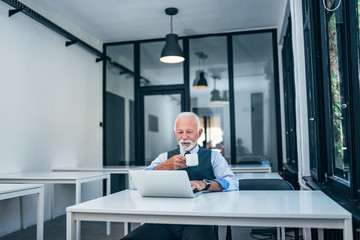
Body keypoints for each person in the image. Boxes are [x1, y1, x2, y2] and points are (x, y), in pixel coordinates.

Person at [122, 112, 238, 240]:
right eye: (180, 132)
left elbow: (232, 182)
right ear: (175, 134)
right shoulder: (164, 157)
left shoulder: (213, 156)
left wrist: (205, 184)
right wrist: (163, 167)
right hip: (164, 220)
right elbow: (134, 184)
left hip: (199, 221)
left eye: (189, 132)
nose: (184, 137)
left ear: (199, 133)